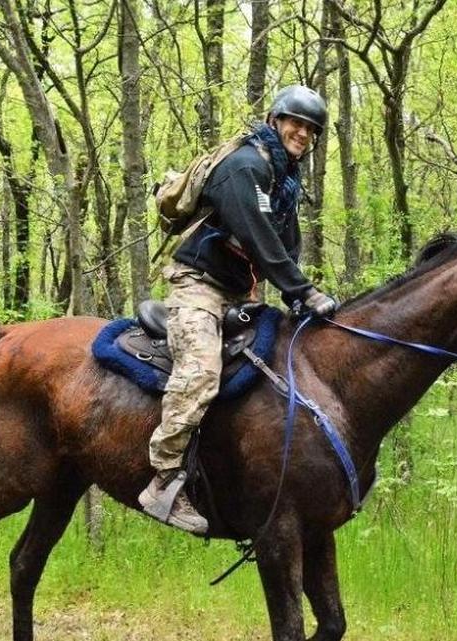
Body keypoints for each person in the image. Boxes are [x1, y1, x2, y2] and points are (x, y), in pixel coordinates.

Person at [138, 85, 339, 534]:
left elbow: (286, 247)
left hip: (242, 294)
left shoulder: (285, 182)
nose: (303, 134)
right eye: (296, 123)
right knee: (202, 372)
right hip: (198, 288)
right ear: (274, 120)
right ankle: (165, 478)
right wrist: (303, 291)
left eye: (311, 129)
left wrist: (295, 298)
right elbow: (258, 240)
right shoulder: (243, 167)